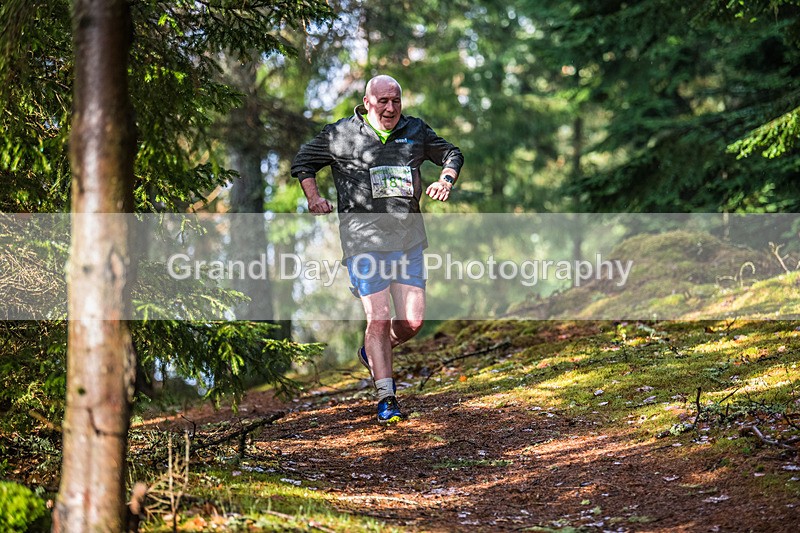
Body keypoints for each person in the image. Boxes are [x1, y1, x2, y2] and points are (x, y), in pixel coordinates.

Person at [291, 74, 464, 423]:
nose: (390, 107)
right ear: (367, 101)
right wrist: (314, 197)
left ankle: (372, 351)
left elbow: (451, 153)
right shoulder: (339, 134)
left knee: (413, 321)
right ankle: (387, 397)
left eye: (395, 100)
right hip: (362, 240)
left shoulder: (414, 131)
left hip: (408, 239)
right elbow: (302, 162)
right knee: (379, 316)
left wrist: (445, 180)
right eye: (383, 101)